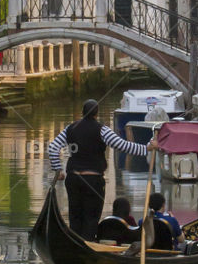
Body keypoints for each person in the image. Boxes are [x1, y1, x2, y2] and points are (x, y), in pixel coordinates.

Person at [48, 99, 156, 240]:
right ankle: (87, 247)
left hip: (73, 179)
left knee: (75, 218)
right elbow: (123, 146)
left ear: (82, 112)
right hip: (93, 181)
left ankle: (75, 246)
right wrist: (147, 148)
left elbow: (52, 147)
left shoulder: (70, 128)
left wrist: (58, 169)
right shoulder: (102, 130)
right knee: (91, 219)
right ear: (96, 113)